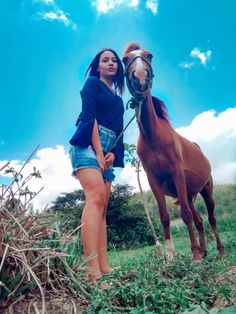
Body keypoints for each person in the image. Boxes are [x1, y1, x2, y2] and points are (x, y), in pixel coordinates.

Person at [69, 48, 125, 286]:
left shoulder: (119, 98)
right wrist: (99, 152)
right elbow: (89, 117)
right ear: (98, 66)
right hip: (88, 145)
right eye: (105, 60)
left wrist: (113, 152)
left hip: (108, 148)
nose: (111, 63)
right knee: (95, 198)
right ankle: (92, 273)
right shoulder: (92, 84)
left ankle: (104, 266)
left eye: (114, 60)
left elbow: (119, 129)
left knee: (102, 207)